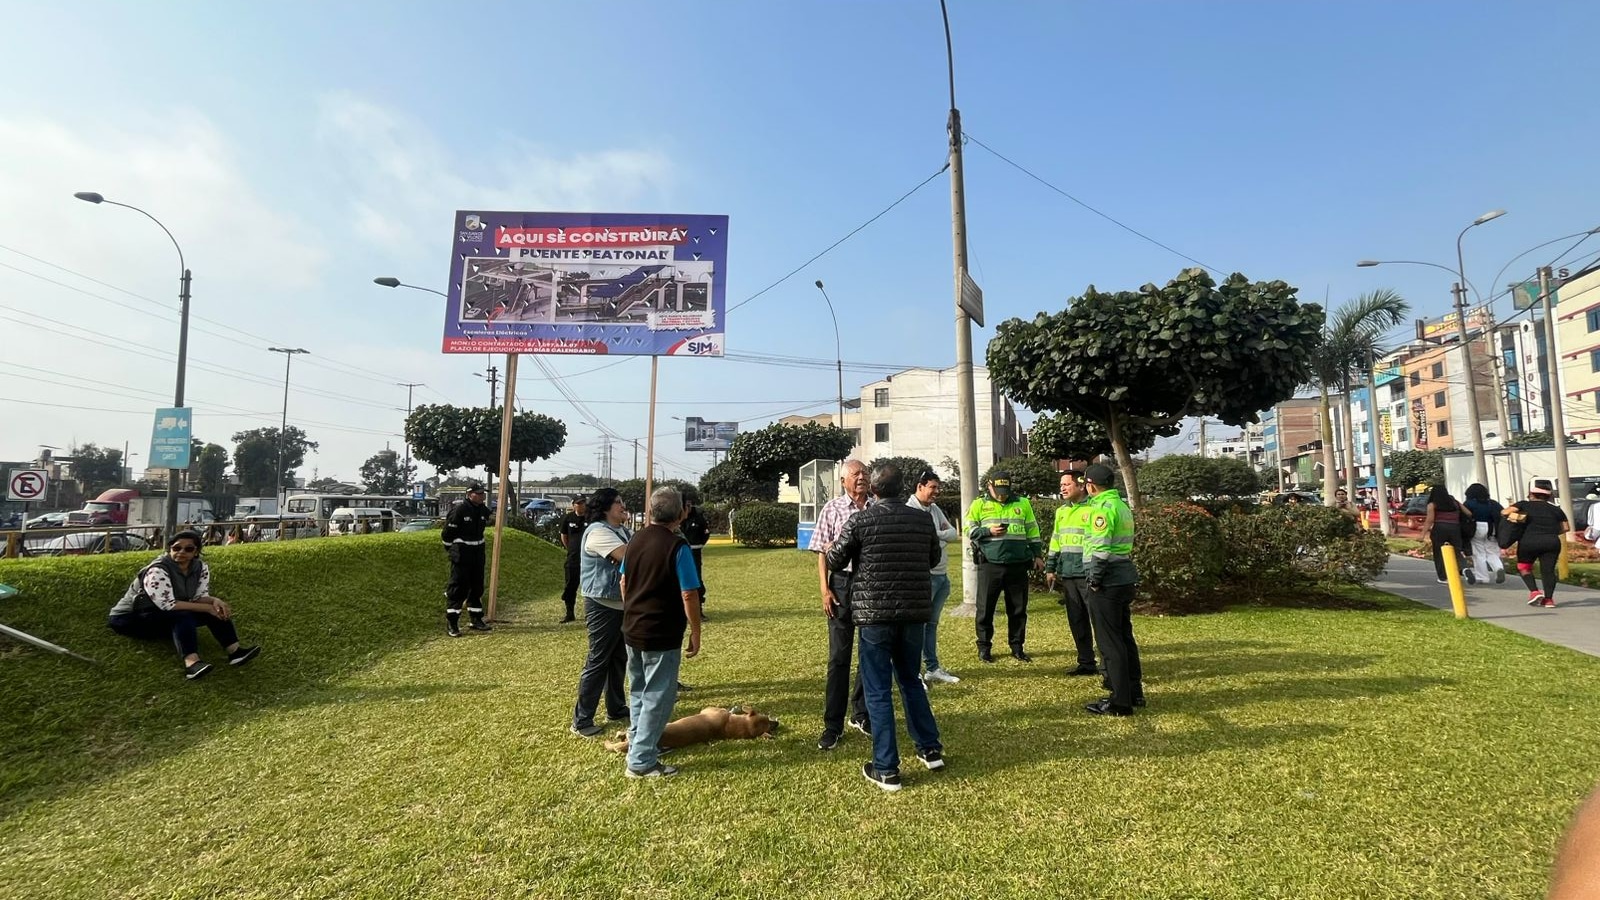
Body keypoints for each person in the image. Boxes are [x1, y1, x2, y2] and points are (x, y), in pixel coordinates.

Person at [825, 463, 945, 791]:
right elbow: (933, 559)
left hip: (874, 615)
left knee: (877, 690)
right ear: (903, 488)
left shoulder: (861, 519)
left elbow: (834, 558)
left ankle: (887, 767)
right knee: (910, 680)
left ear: (874, 491)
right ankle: (930, 749)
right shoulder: (922, 519)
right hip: (912, 614)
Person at [617, 487, 703, 778]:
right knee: (658, 696)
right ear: (680, 514)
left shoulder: (635, 540)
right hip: (661, 633)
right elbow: (689, 594)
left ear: (652, 511)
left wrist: (633, 609)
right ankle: (641, 761)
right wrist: (695, 631)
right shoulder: (677, 547)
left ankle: (639, 742)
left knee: (639, 689)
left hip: (632, 628)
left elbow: (624, 582)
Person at [107, 530, 260, 680]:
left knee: (213, 610)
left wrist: (214, 602)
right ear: (169, 549)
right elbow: (168, 605)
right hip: (130, 618)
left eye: (188, 549)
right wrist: (207, 607)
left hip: (161, 614)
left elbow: (198, 596)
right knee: (182, 616)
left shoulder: (200, 568)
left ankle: (235, 652)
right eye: (176, 548)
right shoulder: (157, 570)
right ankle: (192, 664)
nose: (181, 552)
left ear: (196, 551)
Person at [807, 459, 872, 751]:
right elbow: (821, 551)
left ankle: (861, 713)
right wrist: (824, 590)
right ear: (843, 480)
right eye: (856, 474)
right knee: (838, 658)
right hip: (842, 586)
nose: (862, 478)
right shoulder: (832, 508)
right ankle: (832, 725)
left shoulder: (876, 507)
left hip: (871, 586)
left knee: (870, 653)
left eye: (865, 473)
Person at [1081, 464, 1144, 716]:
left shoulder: (1103, 510)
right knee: (1125, 637)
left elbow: (1100, 549)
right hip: (1124, 578)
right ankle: (1133, 692)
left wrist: (1094, 580)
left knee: (1109, 643)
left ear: (1091, 485)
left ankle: (1119, 702)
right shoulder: (1121, 505)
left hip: (1107, 580)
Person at [964, 470, 1045, 663]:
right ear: (989, 486)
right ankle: (984, 647)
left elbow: (1032, 530)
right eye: (998, 490)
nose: (1002, 494)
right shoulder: (979, 504)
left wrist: (1037, 555)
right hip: (990, 564)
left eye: (1005, 490)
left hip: (1017, 564)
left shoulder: (1022, 503)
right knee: (985, 609)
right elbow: (968, 528)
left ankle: (1017, 647)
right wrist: (987, 531)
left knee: (1018, 609)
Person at [571, 487, 633, 738]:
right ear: (605, 508)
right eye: (617, 502)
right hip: (602, 605)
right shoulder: (598, 532)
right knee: (598, 661)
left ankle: (616, 708)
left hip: (621, 604)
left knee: (619, 659)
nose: (623, 505)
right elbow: (628, 556)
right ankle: (582, 720)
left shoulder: (621, 530)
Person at [904, 469, 960, 684]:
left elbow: (953, 534)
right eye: (932, 487)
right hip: (924, 577)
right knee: (917, 627)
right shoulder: (910, 510)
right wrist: (938, 537)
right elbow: (919, 542)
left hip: (941, 576)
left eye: (938, 487)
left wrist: (935, 537)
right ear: (920, 486)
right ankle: (915, 672)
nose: (937, 492)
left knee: (932, 624)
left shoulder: (934, 509)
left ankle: (932, 668)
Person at [1046, 468, 1100, 678]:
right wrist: (1051, 567)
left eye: (1066, 484)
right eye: (1061, 485)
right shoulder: (1062, 511)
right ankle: (1086, 662)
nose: (1062, 489)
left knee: (1098, 621)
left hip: (1089, 574)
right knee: (1077, 620)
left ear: (1080, 484)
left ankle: (1107, 665)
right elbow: (1056, 540)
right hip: (1068, 575)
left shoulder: (1095, 509)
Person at [1504, 480, 1568, 608]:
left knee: (1524, 567)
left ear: (1532, 495)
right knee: (1548, 571)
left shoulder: (1523, 505)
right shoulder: (1556, 509)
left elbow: (1505, 512)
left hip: (1529, 541)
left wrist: (1517, 518)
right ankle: (1549, 600)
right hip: (1551, 542)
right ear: (1548, 496)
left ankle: (1534, 592)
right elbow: (1566, 528)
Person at [440, 484, 493, 637]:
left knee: (477, 587)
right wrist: (453, 550)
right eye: (479, 493)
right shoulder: (459, 510)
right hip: (462, 554)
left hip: (478, 553)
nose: (482, 496)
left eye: (483, 493)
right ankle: (452, 623)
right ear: (469, 494)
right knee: (458, 588)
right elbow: (447, 535)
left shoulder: (482, 510)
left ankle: (476, 619)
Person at [1421, 484, 1471, 586]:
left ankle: (1443, 577)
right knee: (1457, 551)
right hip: (1455, 529)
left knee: (1439, 553)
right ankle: (1464, 568)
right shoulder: (1454, 502)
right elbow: (1468, 513)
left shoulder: (1433, 504)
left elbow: (1429, 520)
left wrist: (1422, 534)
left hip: (1440, 529)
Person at [1462, 482, 1506, 585]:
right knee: (1492, 551)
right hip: (1492, 528)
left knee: (1478, 553)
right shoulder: (1493, 503)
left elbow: (1464, 516)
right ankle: (1498, 568)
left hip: (1476, 528)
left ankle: (1482, 577)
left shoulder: (1469, 503)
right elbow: (1502, 513)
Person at [679, 487, 711, 621]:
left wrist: (699, 544)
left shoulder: (698, 518)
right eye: (685, 505)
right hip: (679, 553)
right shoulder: (677, 519)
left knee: (696, 580)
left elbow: (706, 533)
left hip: (694, 552)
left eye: (689, 504)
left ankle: (698, 610)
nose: (688, 507)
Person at [557, 496, 588, 623]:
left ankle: (590, 613)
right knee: (570, 585)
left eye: (583, 503)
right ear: (573, 505)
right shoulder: (568, 518)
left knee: (588, 587)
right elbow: (564, 536)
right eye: (578, 503)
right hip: (573, 558)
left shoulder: (591, 518)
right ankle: (569, 613)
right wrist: (570, 548)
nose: (581, 506)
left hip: (588, 558)